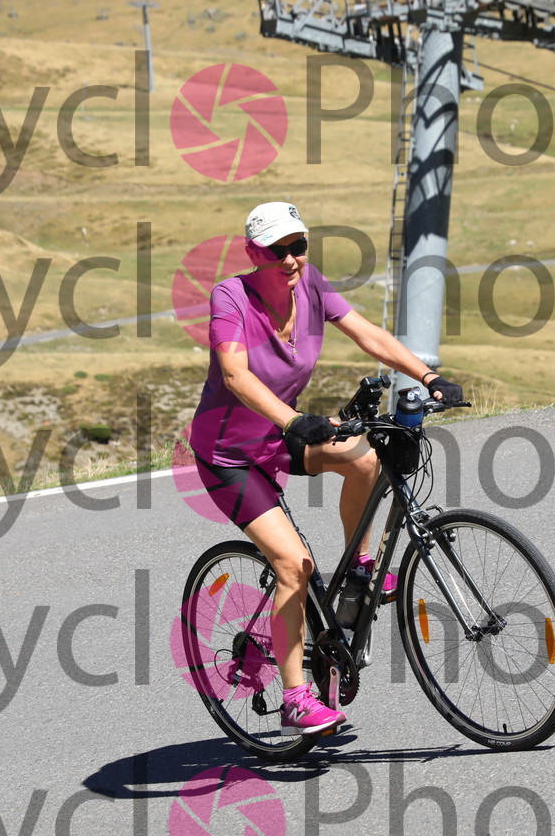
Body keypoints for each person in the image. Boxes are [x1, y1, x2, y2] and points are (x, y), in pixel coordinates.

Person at [190, 201, 464, 737]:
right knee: (294, 566)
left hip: (278, 436)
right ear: (253, 253)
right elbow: (235, 374)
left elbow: (369, 335)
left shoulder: (311, 284)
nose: (290, 259)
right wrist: (294, 420)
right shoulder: (231, 297)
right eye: (276, 250)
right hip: (230, 456)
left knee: (364, 457)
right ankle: (296, 699)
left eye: (298, 246)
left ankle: (359, 567)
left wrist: (427, 377)